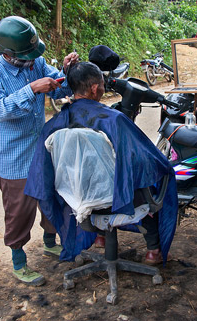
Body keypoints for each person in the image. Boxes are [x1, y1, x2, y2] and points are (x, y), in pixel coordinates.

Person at [25, 61, 178, 265]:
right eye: (103, 86)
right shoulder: (114, 119)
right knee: (148, 182)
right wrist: (164, 167)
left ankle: (100, 237)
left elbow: (42, 173)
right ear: (95, 88)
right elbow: (145, 158)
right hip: (115, 199)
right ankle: (153, 251)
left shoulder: (55, 124)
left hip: (74, 199)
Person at [0, 15, 79, 285]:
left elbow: (60, 89)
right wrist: (32, 89)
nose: (34, 62)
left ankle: (50, 242)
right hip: (13, 156)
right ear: (8, 54)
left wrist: (66, 73)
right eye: (28, 56)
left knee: (51, 197)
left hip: (42, 148)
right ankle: (19, 260)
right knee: (19, 209)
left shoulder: (39, 62)